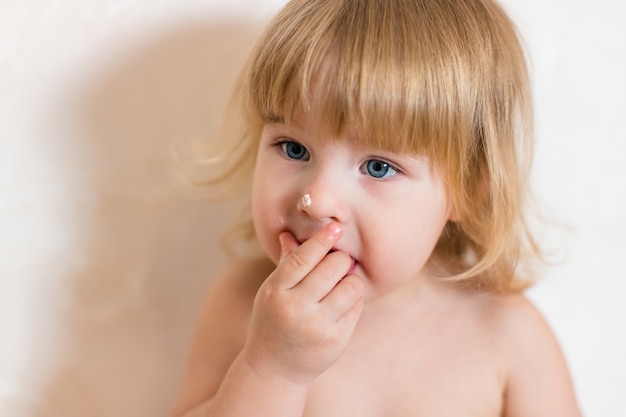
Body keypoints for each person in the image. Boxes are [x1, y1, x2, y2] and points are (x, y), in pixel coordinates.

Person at [170, 0, 581, 415]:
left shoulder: (507, 335)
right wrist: (272, 369)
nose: (317, 202)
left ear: (468, 192)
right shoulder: (243, 301)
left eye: (379, 167)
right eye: (293, 148)